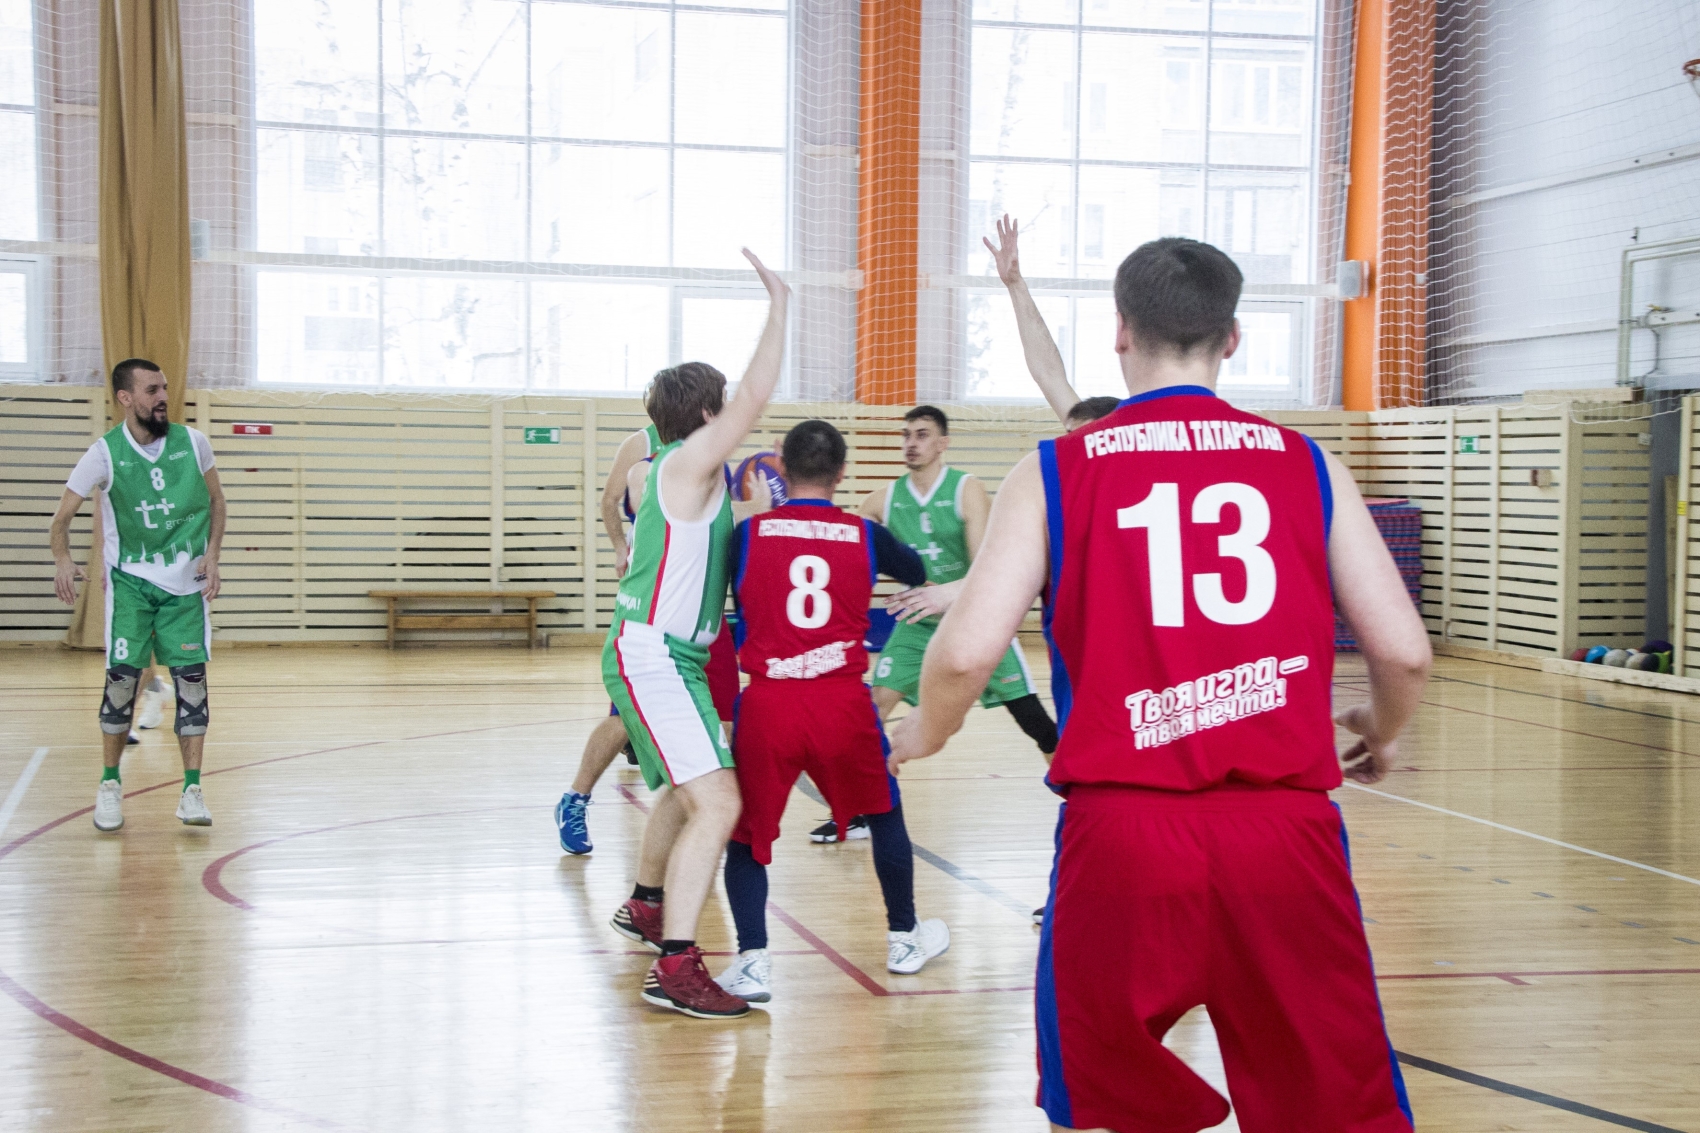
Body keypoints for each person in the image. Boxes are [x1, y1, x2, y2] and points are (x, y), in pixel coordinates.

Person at [889, 236, 1429, 1132]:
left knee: (1106, 1102)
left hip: (1122, 830)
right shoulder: (1309, 464)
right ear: (1233, 338)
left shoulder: (1056, 468)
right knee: (1333, 1107)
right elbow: (1404, 652)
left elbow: (962, 653)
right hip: (1285, 833)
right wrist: (1379, 724)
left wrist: (929, 730)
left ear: (1120, 331)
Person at [602, 247, 789, 1020]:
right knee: (719, 804)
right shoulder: (685, 465)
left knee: (689, 792)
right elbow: (757, 394)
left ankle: (648, 904)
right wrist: (780, 306)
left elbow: (716, 529)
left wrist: (760, 512)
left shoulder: (683, 477)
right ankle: (676, 966)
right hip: (655, 656)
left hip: (671, 656)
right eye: (725, 411)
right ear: (709, 416)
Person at [713, 420, 950, 1004]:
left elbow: (722, 594)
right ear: (842, 473)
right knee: (885, 814)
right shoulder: (864, 534)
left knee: (746, 836)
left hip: (768, 703)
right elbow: (917, 572)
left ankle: (753, 961)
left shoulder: (748, 535)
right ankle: (904, 939)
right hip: (842, 702)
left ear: (780, 469)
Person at [807, 404, 1060, 844]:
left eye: (922, 435)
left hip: (978, 621)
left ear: (943, 443)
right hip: (919, 624)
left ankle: (1075, 799)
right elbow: (845, 543)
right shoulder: (883, 499)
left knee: (1035, 723)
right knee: (870, 711)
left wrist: (945, 592)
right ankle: (856, 811)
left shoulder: (966, 489)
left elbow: (987, 570)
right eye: (906, 435)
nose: (911, 443)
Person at [555, 440, 765, 857]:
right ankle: (575, 799)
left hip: (706, 621)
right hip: (655, 625)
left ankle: (699, 821)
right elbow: (637, 499)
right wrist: (755, 506)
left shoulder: (714, 461)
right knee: (622, 722)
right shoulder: (646, 459)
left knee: (726, 726)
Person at [49, 359, 228, 832]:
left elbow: (216, 500)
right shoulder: (104, 454)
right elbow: (61, 518)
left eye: (164, 387)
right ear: (126, 398)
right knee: (122, 684)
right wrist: (63, 560)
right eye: (152, 390)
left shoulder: (194, 443)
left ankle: (192, 790)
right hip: (130, 584)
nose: (163, 396)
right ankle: (109, 784)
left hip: (185, 586)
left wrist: (213, 554)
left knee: (192, 688)